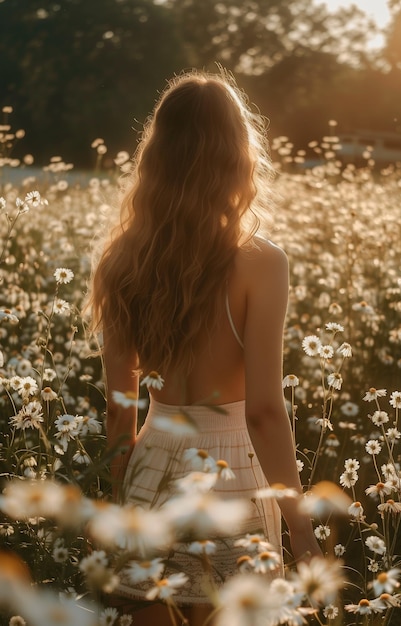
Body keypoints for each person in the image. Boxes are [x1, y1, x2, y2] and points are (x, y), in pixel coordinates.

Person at [89, 69, 321, 625]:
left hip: (150, 475)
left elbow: (119, 413)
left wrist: (128, 506)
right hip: (234, 480)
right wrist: (302, 534)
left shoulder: (121, 259)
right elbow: (265, 412)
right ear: (238, 155)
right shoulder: (261, 262)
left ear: (157, 156)